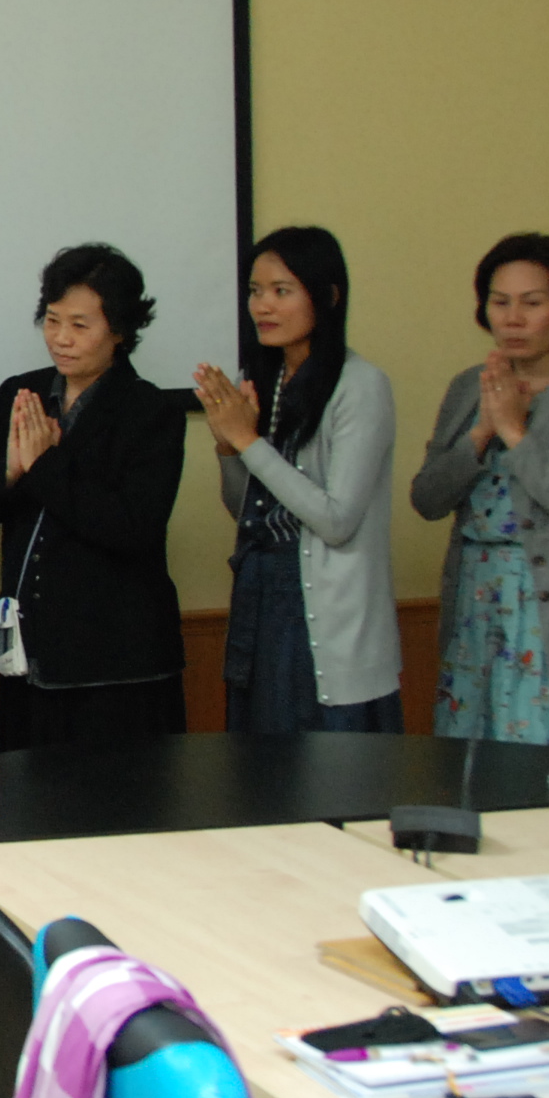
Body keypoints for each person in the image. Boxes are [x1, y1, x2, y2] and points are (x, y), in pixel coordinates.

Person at [0, 242, 188, 749]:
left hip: (118, 664)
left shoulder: (150, 411)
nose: (61, 338)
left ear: (120, 330)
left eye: (80, 325)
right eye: (53, 320)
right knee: (26, 790)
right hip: (27, 654)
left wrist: (44, 464)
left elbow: (131, 527)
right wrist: (12, 469)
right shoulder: (23, 394)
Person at [409, 234, 549, 744]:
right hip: (475, 594)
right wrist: (480, 435)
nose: (513, 319)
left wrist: (514, 432)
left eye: (531, 303)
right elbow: (426, 499)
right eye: (500, 302)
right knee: (469, 758)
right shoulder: (468, 387)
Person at [194, 227, 402, 732]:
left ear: (328, 297)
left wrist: (247, 442)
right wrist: (228, 447)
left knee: (329, 767)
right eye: (255, 291)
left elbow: (337, 520)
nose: (262, 305)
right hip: (262, 596)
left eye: (281, 291)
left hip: (326, 615)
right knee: (258, 766)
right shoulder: (264, 380)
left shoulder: (360, 385)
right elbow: (248, 512)